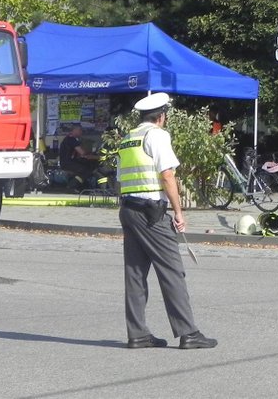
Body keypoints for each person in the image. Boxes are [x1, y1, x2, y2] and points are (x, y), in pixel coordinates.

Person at [117, 92, 217, 350]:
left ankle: (137, 333)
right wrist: (179, 211)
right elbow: (168, 175)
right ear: (161, 117)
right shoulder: (157, 136)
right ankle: (188, 333)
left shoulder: (129, 139)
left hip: (129, 209)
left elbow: (121, 179)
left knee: (135, 273)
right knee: (172, 270)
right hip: (152, 212)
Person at [58, 124, 99, 191]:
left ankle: (80, 186)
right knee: (85, 170)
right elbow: (82, 152)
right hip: (68, 163)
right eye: (80, 130)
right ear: (75, 130)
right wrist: (91, 154)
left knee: (84, 166)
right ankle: (72, 186)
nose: (81, 132)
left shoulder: (68, 139)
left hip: (67, 162)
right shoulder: (71, 140)